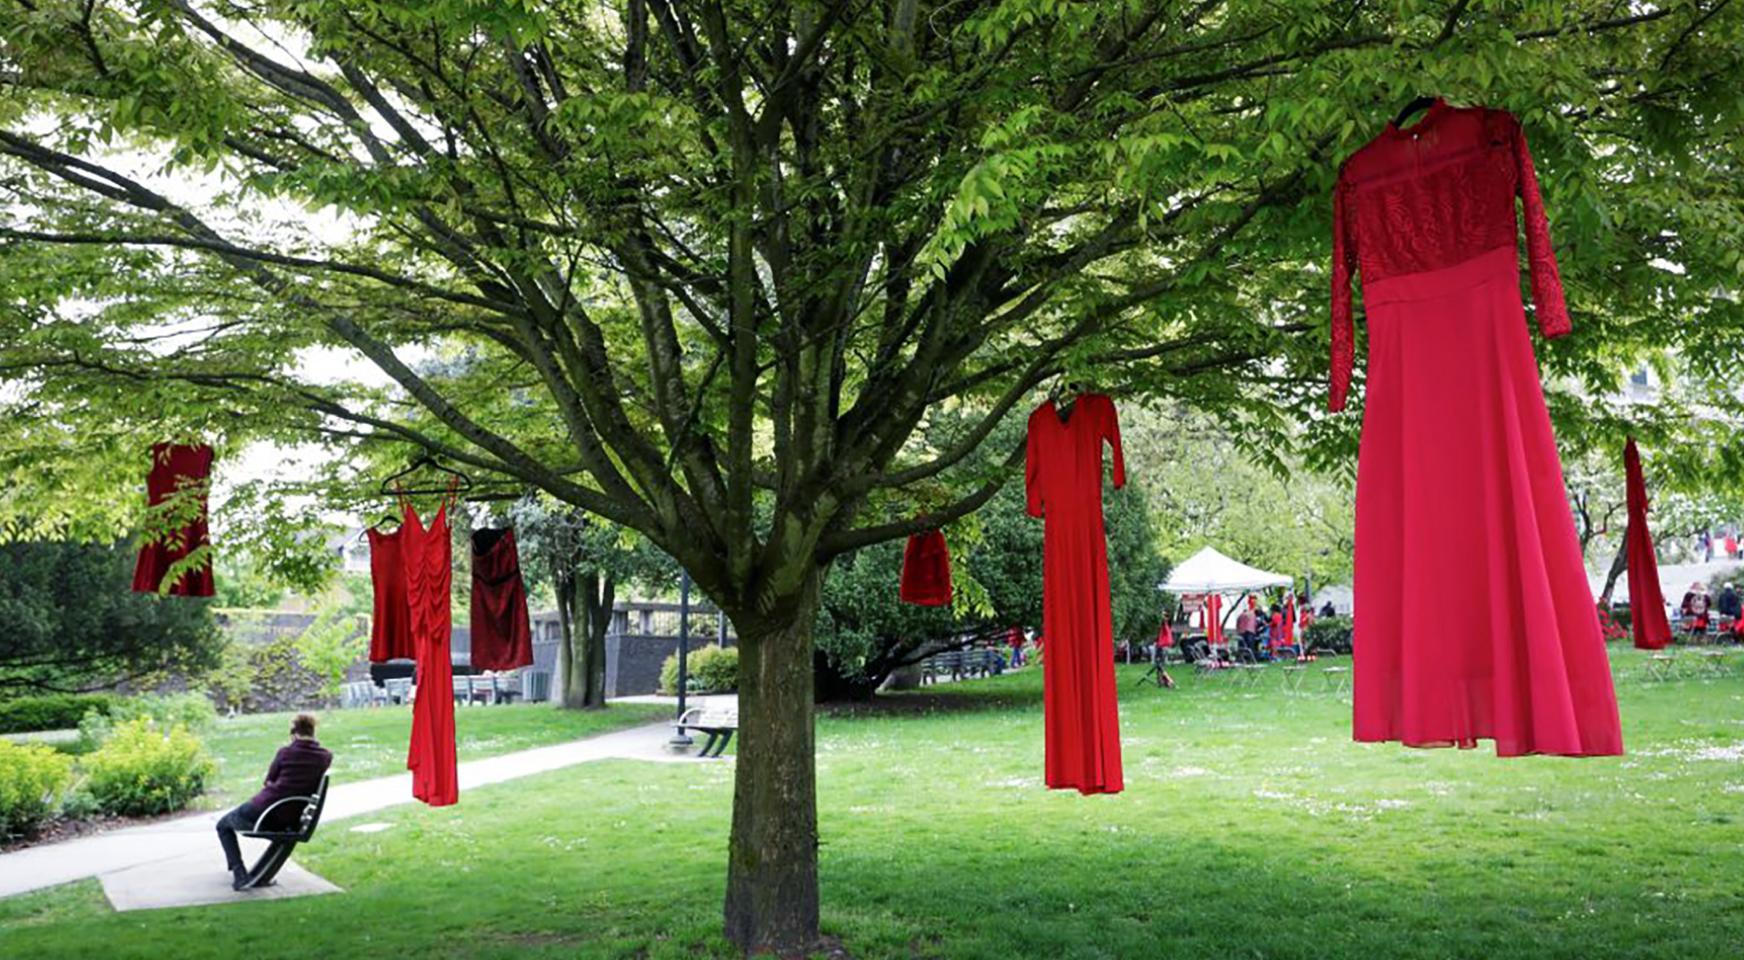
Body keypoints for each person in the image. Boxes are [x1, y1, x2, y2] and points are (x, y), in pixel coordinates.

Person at [217, 713, 332, 890]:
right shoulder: (325, 757)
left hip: (265, 810)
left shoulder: (285, 752)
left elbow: (268, 780)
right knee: (229, 822)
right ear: (313, 732)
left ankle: (240, 875)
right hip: (291, 819)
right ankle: (251, 876)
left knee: (223, 825)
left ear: (293, 733)